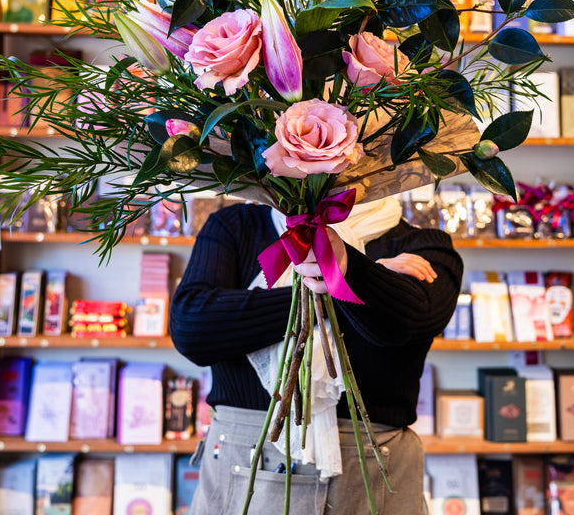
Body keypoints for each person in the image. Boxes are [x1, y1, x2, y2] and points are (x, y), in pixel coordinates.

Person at [169, 195, 463, 515]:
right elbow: (193, 327)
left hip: (371, 479)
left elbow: (410, 321)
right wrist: (338, 286)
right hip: (245, 468)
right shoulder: (235, 226)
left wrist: (349, 268)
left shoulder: (423, 245)